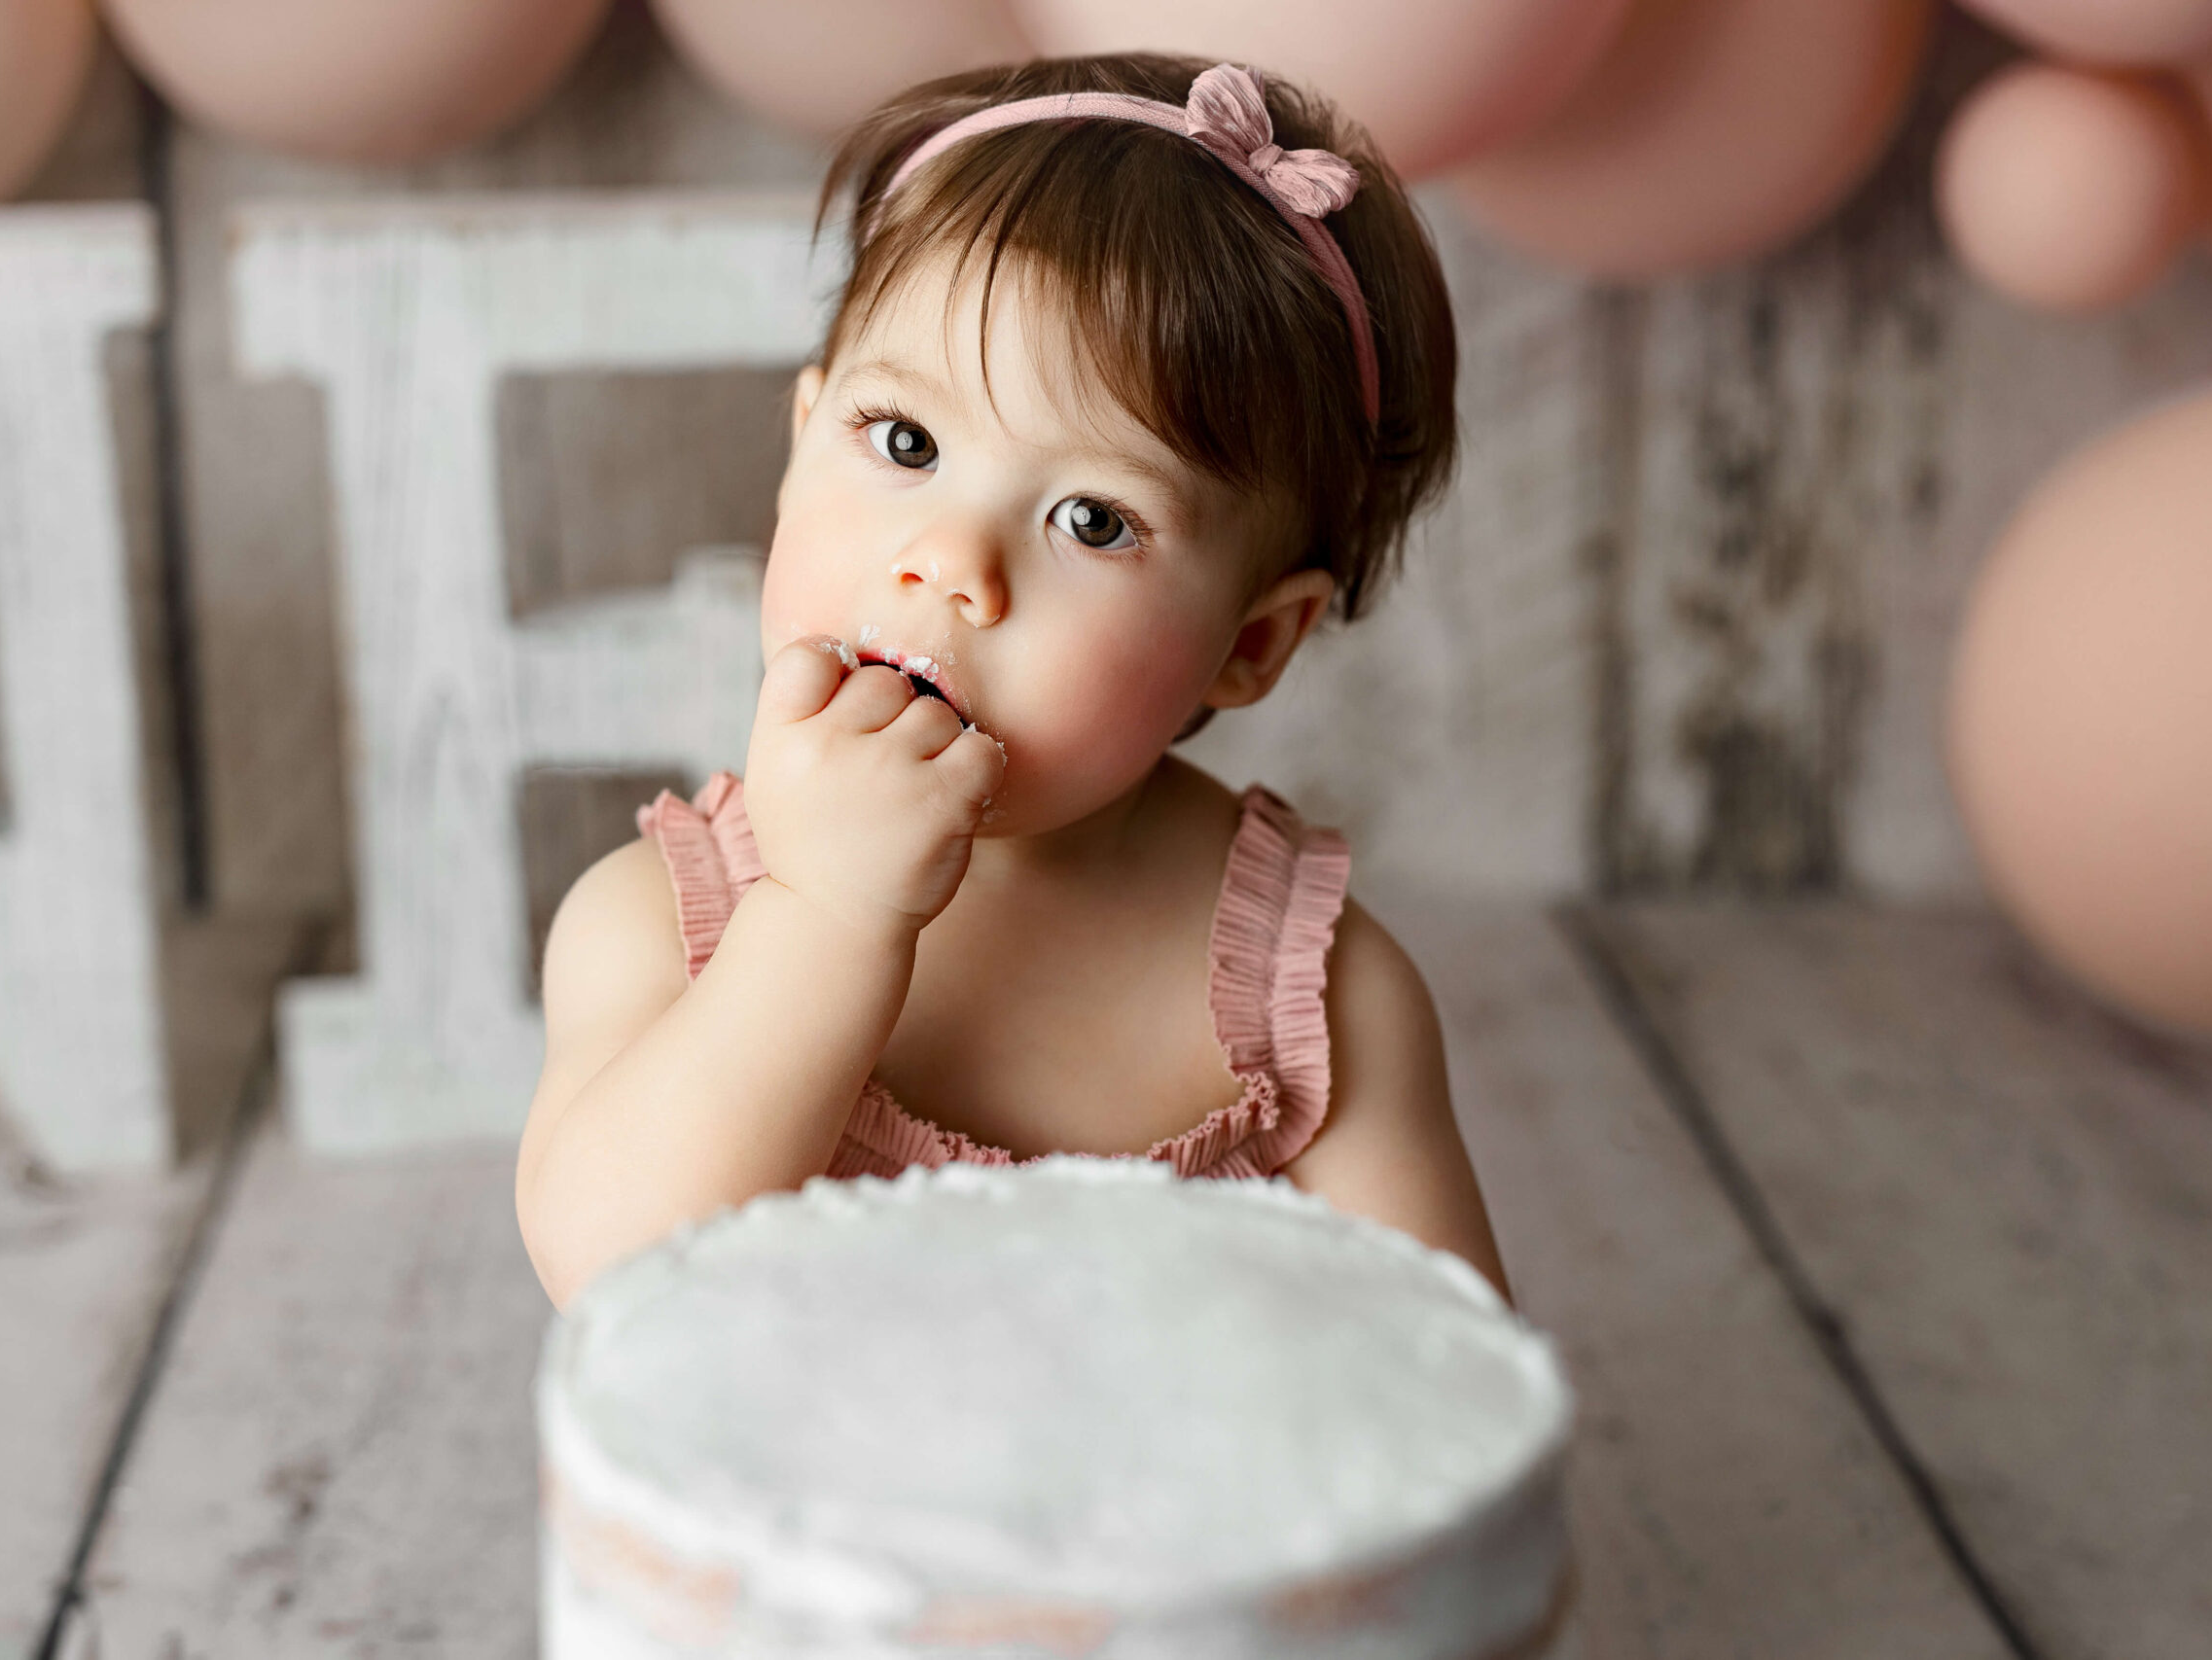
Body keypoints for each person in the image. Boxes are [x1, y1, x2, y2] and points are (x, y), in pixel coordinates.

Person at [517, 53, 1506, 1309]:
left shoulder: (1309, 996)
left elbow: (1446, 1380)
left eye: (1093, 520)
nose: (950, 565)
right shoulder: (657, 927)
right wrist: (825, 914)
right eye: (907, 443)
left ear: (1251, 645)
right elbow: (608, 1272)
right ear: (801, 442)